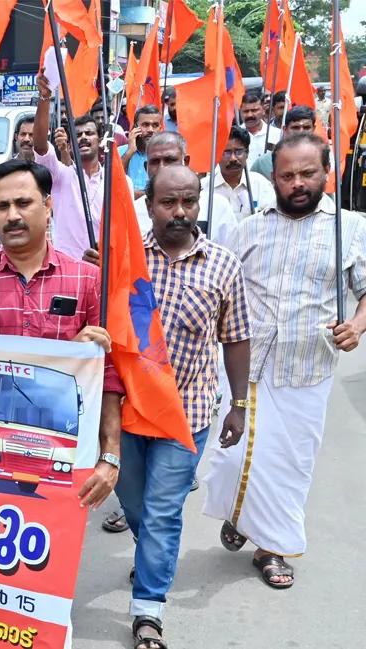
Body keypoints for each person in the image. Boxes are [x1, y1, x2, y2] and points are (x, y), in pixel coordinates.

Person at [204, 133, 366, 590]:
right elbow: (219, 284)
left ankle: (271, 546)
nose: (297, 183)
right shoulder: (250, 227)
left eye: (307, 173)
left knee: (288, 464)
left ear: (326, 173)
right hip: (245, 364)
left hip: (307, 368)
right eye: (287, 175)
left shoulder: (350, 228)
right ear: (272, 177)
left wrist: (356, 325)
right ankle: (240, 512)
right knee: (233, 458)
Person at [117, 166, 252, 649]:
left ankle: (148, 609)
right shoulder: (125, 258)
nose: (179, 212)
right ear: (149, 204)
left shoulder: (223, 265)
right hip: (128, 411)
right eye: (168, 203)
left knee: (161, 512)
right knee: (133, 504)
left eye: (189, 202)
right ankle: (151, 551)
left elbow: (235, 338)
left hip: (187, 414)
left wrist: (238, 405)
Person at [0, 159, 124, 513]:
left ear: (48, 207)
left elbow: (105, 376)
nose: (12, 215)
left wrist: (110, 456)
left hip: (64, 449)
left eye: (23, 203)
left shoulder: (87, 280)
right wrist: (69, 357)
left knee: (54, 557)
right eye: (2, 206)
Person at [32, 72, 106, 259]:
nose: (83, 138)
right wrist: (45, 97)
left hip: (106, 270)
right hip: (68, 269)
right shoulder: (61, 176)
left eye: (89, 133)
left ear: (100, 140)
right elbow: (40, 146)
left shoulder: (117, 183)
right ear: (70, 146)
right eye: (77, 135)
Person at [128, 133, 239, 249]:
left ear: (185, 161)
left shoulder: (217, 206)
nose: (162, 168)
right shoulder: (133, 212)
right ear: (146, 167)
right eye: (155, 162)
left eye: (170, 160)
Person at [214, 126, 276, 220]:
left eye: (238, 152)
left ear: (247, 153)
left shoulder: (261, 185)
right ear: (217, 155)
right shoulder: (206, 188)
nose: (233, 159)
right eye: (226, 153)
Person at [250, 106, 318, 179]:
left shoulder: (320, 159)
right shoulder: (264, 163)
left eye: (306, 127)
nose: (301, 132)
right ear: (285, 130)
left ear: (314, 129)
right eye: (295, 128)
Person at [120, 105, 163, 197]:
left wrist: (132, 194)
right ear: (135, 127)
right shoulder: (119, 152)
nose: (150, 130)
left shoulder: (165, 156)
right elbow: (114, 182)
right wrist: (129, 152)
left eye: (155, 125)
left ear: (160, 128)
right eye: (145, 125)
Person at [239, 90, 280, 166]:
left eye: (254, 110)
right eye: (246, 111)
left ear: (263, 110)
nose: (249, 115)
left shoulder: (278, 135)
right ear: (240, 111)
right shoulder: (233, 136)